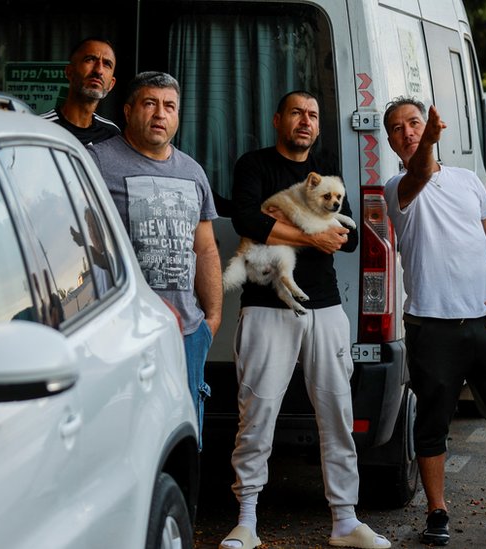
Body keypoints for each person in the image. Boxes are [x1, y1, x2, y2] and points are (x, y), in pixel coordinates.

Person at [221, 91, 389, 549]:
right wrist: (312, 237)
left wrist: (305, 233)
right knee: (256, 413)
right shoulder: (254, 165)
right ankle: (247, 521)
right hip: (266, 307)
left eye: (313, 115)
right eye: (297, 113)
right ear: (278, 119)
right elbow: (246, 220)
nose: (305, 121)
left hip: (327, 308)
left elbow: (349, 238)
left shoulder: (328, 175)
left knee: (337, 413)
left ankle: (345, 522)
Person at [382, 97, 486, 546]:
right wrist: (431, 143)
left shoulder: (467, 180)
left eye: (415, 123)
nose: (408, 131)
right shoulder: (397, 187)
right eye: (398, 128)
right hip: (431, 326)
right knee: (432, 423)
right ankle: (437, 513)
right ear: (392, 141)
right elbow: (419, 172)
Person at [87, 71, 222, 448]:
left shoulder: (192, 172)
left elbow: (206, 248)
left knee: (181, 434)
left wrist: (211, 319)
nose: (160, 114)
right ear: (129, 111)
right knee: (122, 439)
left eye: (169, 106)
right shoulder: (96, 162)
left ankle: (177, 507)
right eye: (150, 104)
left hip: (185, 333)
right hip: (120, 332)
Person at [40, 37, 120, 145]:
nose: (99, 70)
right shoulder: (40, 129)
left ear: (111, 84)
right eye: (90, 59)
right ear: (69, 72)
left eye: (107, 64)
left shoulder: (111, 135)